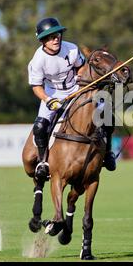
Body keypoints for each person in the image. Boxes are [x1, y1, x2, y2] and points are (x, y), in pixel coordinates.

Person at [27, 17, 117, 181]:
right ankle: (42, 162)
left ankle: (108, 153)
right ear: (43, 41)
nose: (56, 39)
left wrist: (80, 76)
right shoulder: (37, 60)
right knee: (40, 126)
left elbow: (81, 66)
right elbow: (36, 87)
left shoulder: (72, 49)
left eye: (58, 35)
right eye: (51, 37)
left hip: (76, 90)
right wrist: (48, 100)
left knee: (107, 114)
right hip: (52, 95)